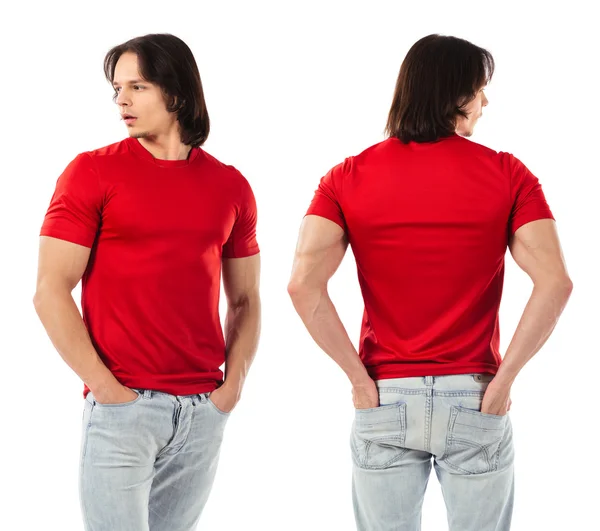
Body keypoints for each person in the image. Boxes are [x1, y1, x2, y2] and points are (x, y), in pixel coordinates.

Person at [287, 34, 573, 531]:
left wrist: (357, 378)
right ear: (456, 93)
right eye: (480, 89)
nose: (486, 102)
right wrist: (504, 381)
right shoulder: (507, 174)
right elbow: (556, 282)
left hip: (385, 394)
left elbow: (302, 284)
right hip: (476, 394)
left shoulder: (346, 176)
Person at [33, 33, 261, 531]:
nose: (122, 100)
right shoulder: (91, 172)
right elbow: (50, 289)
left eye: (137, 86)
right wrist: (106, 389)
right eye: (117, 88)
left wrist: (232, 388)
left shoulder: (231, 186)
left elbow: (245, 298)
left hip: (203, 409)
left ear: (176, 93)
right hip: (123, 410)